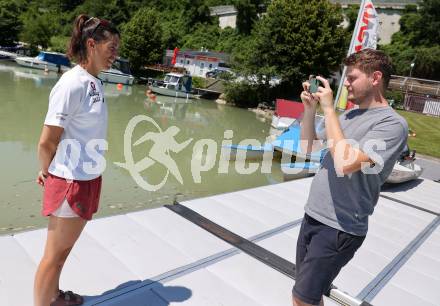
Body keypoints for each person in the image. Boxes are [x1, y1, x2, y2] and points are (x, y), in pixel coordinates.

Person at [293, 49, 408, 306]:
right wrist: (311, 110)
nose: (346, 83)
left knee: (301, 299)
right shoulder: (348, 115)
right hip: (313, 216)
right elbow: (308, 147)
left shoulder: (392, 124)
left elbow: (345, 163)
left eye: (352, 77)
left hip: (340, 227)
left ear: (375, 77)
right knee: (308, 295)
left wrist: (329, 109)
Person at [34, 15, 119, 306]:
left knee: (64, 252)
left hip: (87, 179)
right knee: (53, 256)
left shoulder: (93, 82)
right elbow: (47, 140)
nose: (115, 53)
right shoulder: (71, 83)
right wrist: (46, 171)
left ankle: (54, 297)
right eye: (112, 46)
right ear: (92, 44)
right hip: (69, 182)